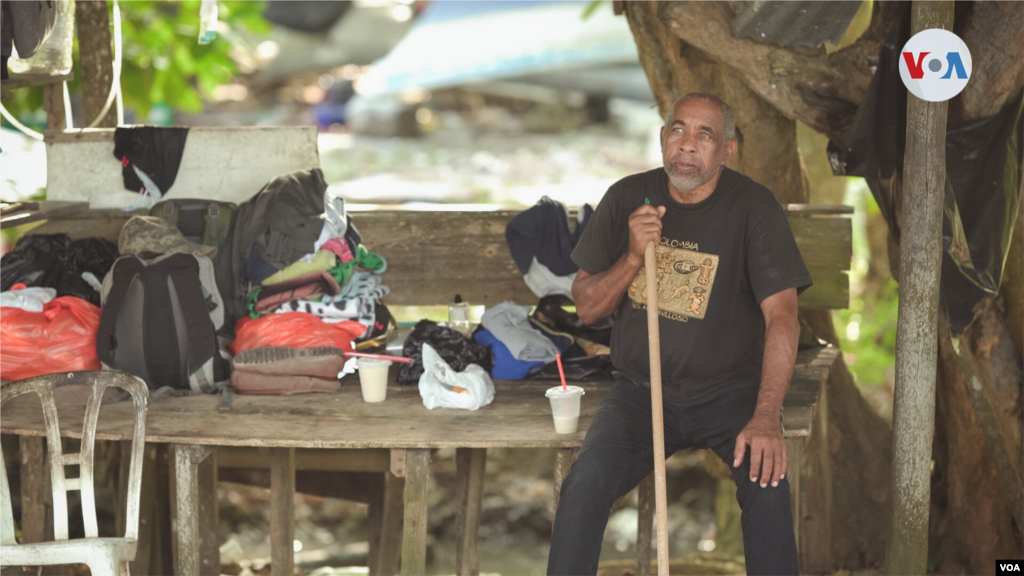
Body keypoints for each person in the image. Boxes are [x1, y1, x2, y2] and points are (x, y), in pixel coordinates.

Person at [548, 93, 812, 575]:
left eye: (704, 134)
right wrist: (631, 256)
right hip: (640, 391)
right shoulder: (629, 197)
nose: (687, 145)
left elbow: (783, 317)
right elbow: (586, 308)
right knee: (583, 483)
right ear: (662, 137)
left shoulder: (753, 207)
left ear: (728, 150)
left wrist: (766, 415)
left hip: (730, 391)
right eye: (678, 130)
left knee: (766, 478)